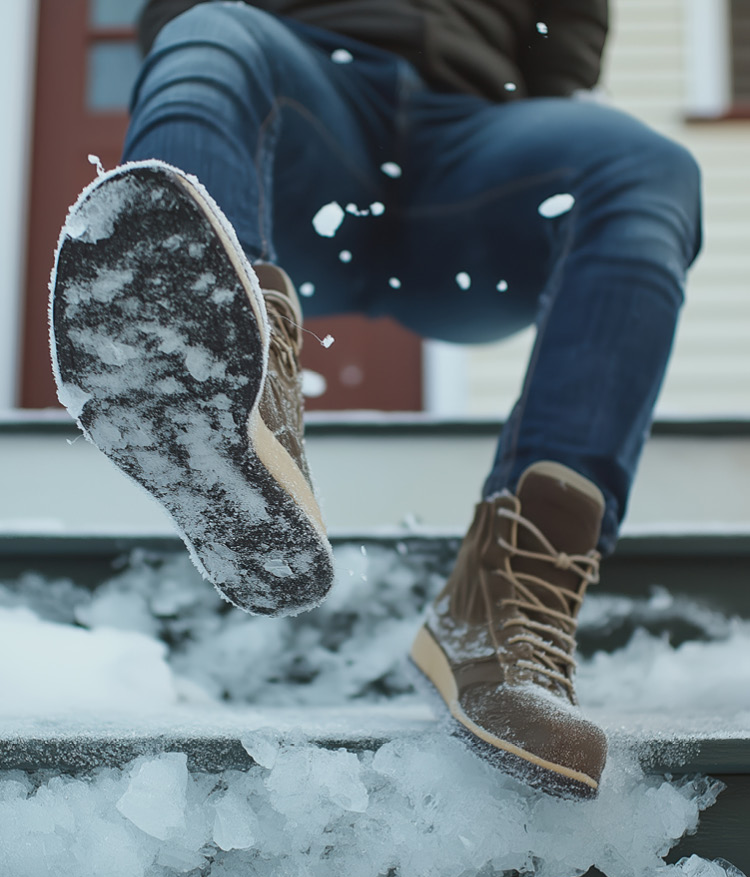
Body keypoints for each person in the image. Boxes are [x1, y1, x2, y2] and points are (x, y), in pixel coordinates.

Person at [50, 0, 702, 797]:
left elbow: (569, 21)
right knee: (205, 36)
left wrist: (544, 100)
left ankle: (512, 600)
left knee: (650, 168)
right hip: (300, 125)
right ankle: (230, 383)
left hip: (479, 149)